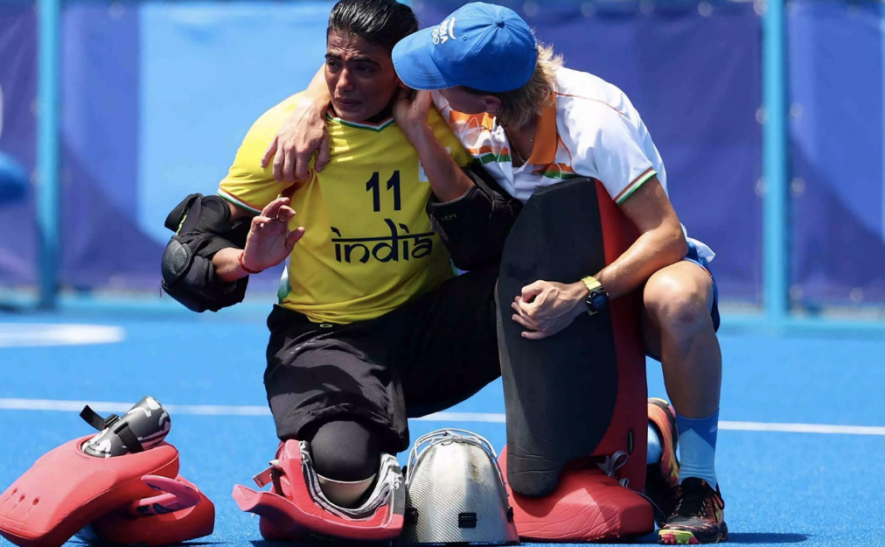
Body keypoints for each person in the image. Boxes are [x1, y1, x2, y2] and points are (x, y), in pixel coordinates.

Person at [265, 3, 726, 544]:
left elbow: (666, 235)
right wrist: (309, 107)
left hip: (632, 272)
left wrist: (584, 293)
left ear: (488, 103)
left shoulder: (592, 122)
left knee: (680, 298)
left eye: (436, 78)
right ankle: (647, 441)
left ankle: (699, 484)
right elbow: (357, 65)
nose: (421, 84)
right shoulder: (461, 90)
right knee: (520, 289)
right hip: (552, 275)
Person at [179, 0, 508, 513]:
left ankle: (553, 466)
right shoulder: (286, 133)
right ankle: (318, 457)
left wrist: (420, 136)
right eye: (333, 63)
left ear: (402, 71)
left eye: (365, 68)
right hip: (326, 341)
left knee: (545, 280)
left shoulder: (450, 121)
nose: (344, 83)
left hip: (429, 331)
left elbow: (491, 242)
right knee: (343, 474)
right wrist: (246, 261)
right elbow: (188, 256)